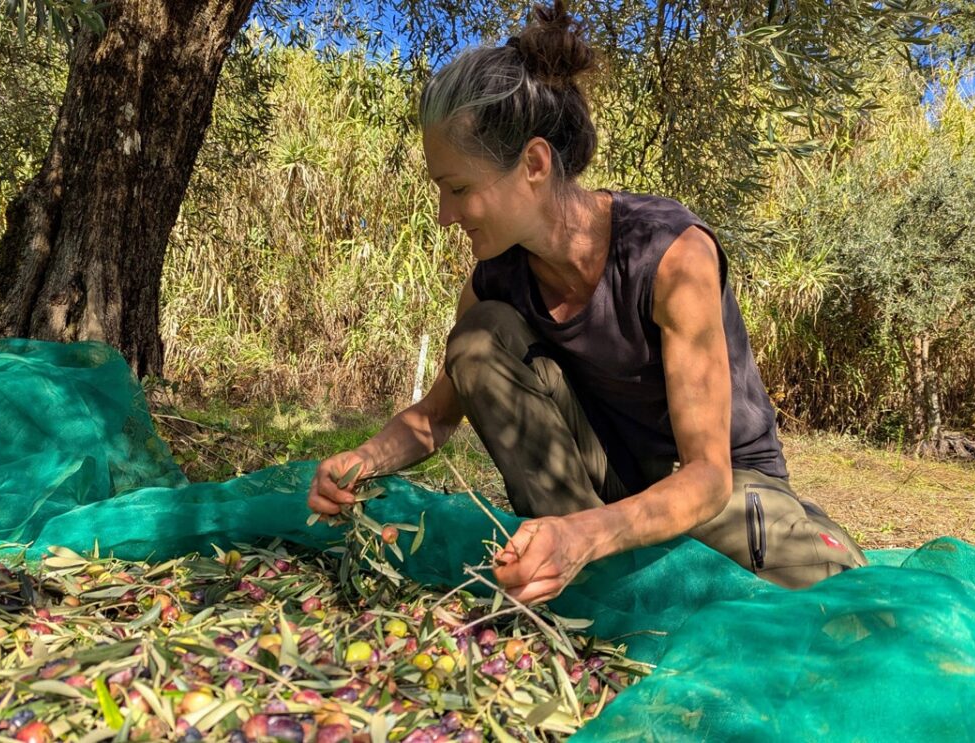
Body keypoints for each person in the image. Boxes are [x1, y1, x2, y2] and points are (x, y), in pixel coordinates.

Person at [308, 0, 866, 603]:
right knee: (479, 337)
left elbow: (706, 479)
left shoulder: (671, 255)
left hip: (719, 493)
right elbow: (434, 418)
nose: (446, 216)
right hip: (604, 497)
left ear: (535, 164)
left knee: (834, 595)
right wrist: (359, 462)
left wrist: (584, 535)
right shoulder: (496, 280)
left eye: (459, 189)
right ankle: (584, 587)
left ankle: (600, 556)